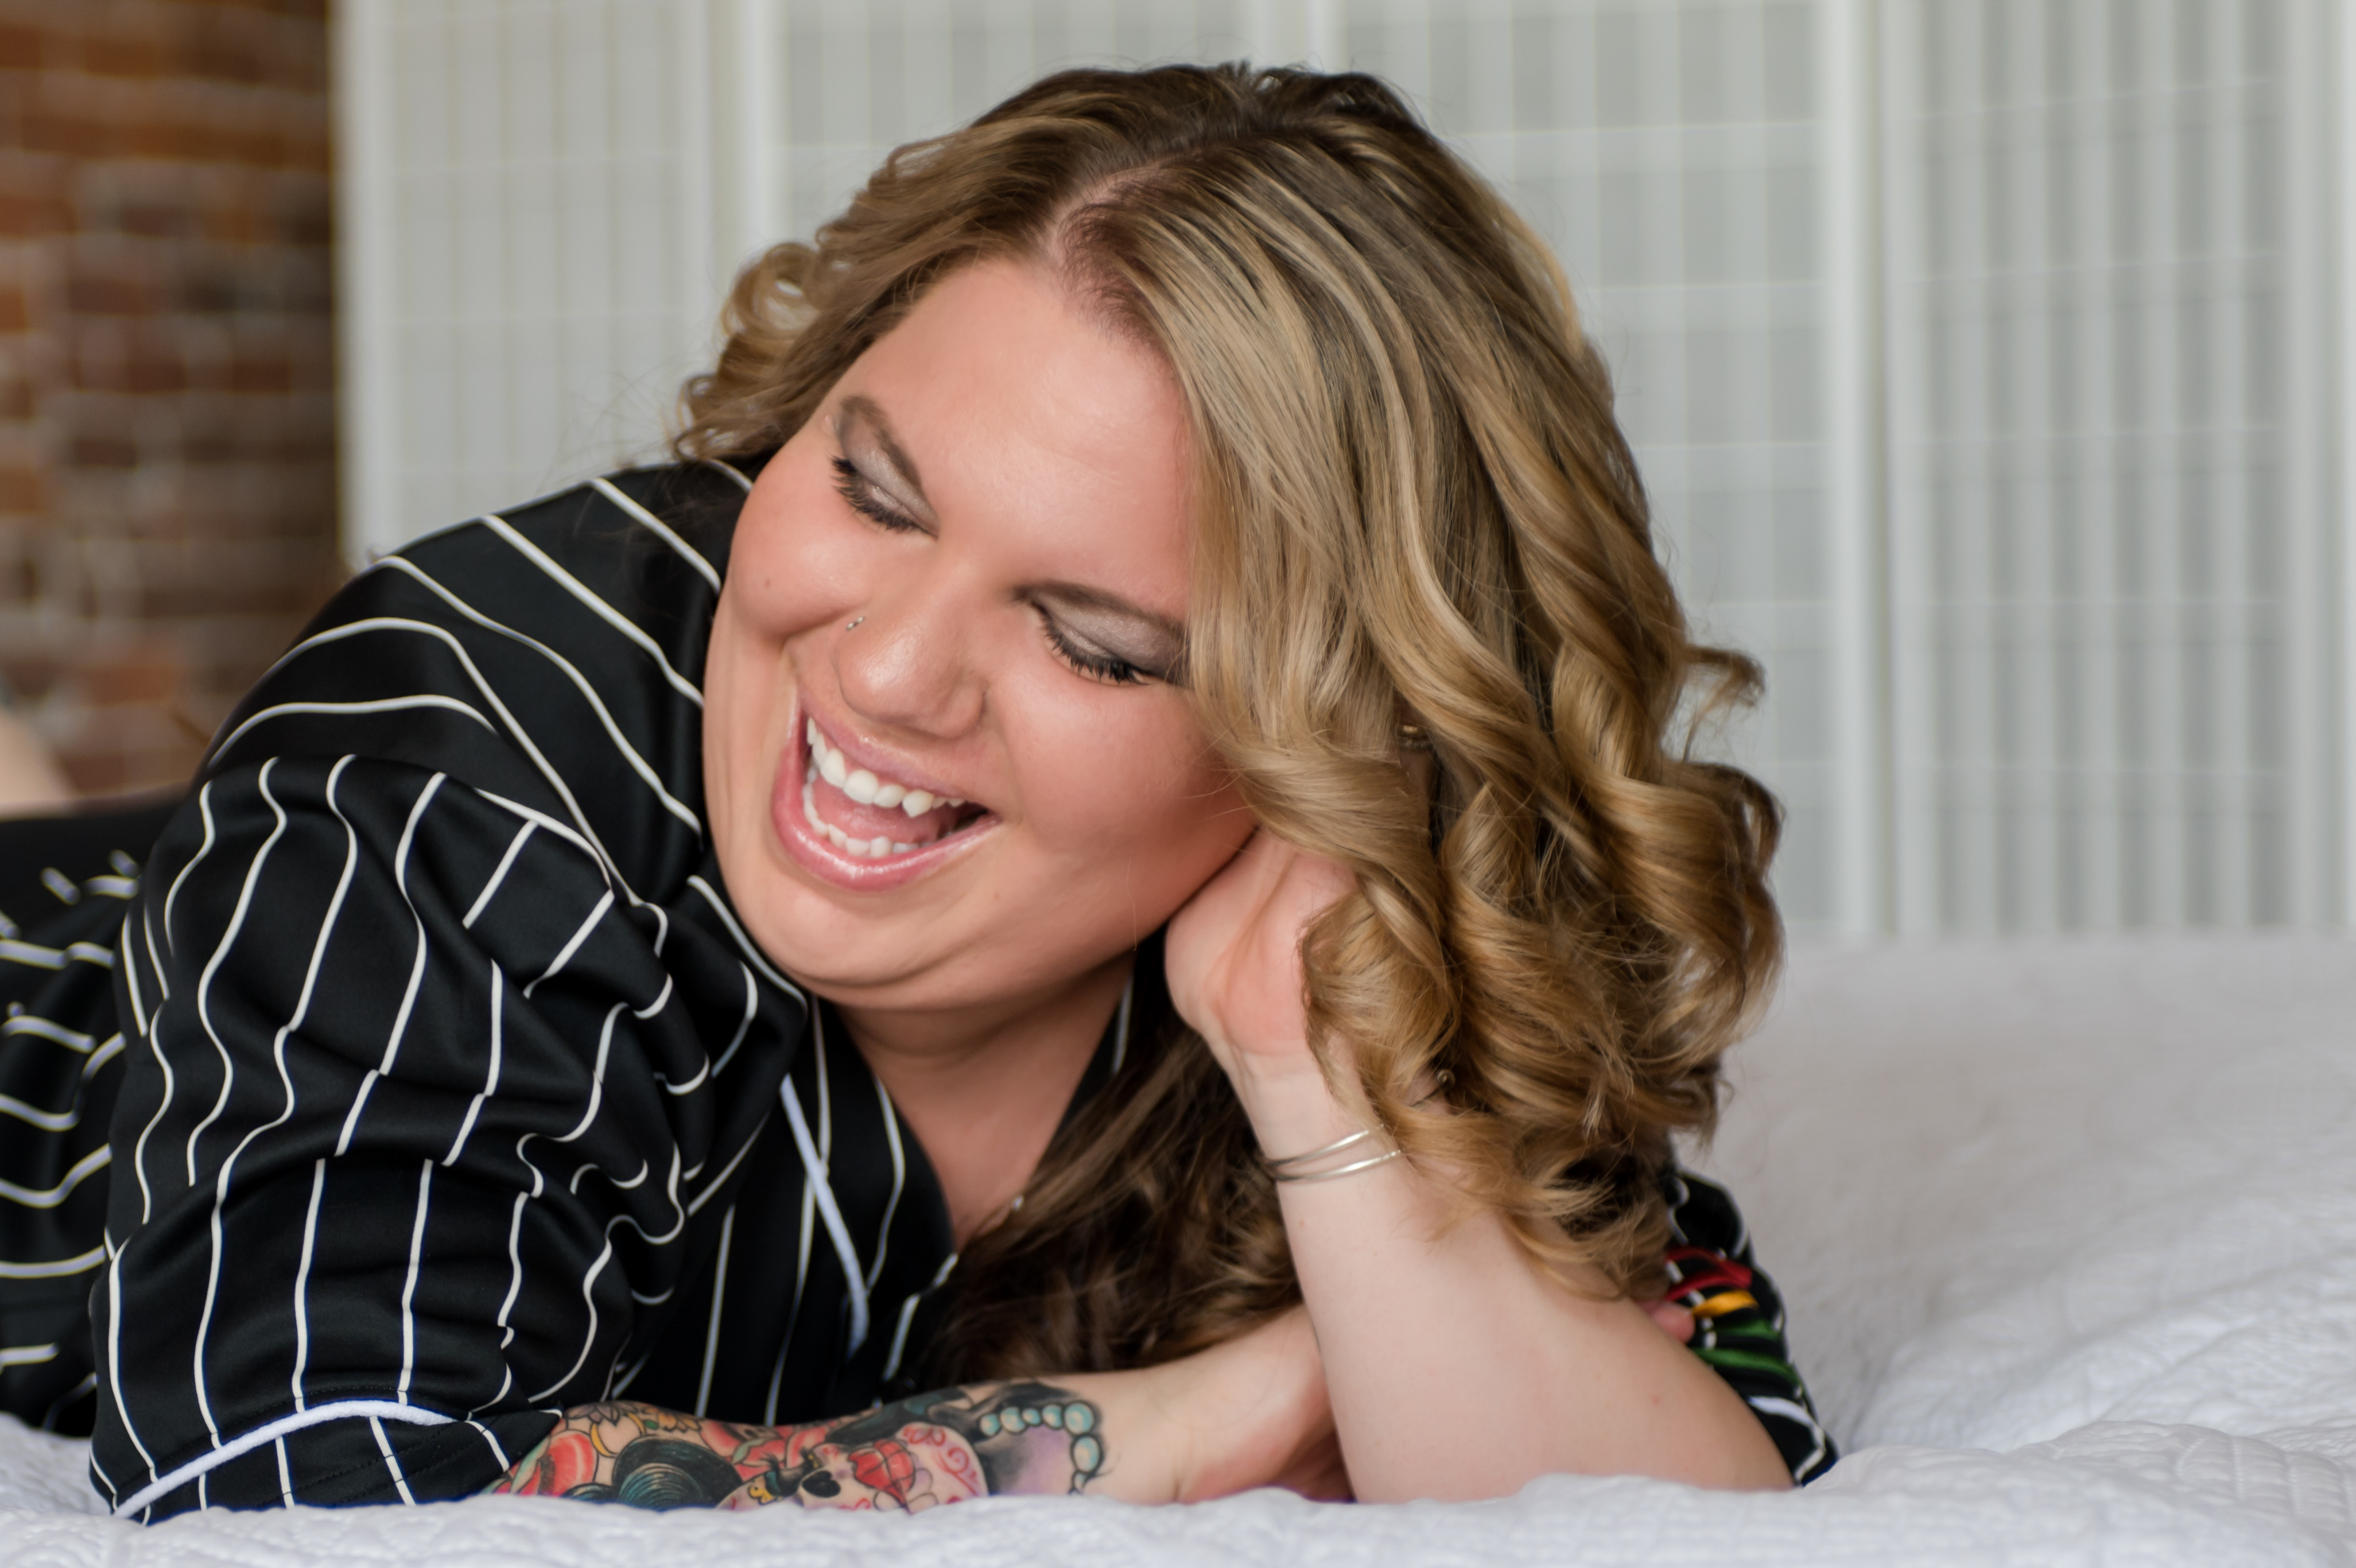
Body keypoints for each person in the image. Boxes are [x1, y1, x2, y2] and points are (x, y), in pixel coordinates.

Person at [0, 63, 1831, 1518]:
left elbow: (1717, 1469)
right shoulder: (455, 771)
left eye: (1095, 642)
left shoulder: (1354, 898)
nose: (882, 673)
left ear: (1339, 741)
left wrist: (1315, 1078)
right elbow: (321, 1491)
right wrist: (1201, 1419)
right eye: (871, 490)